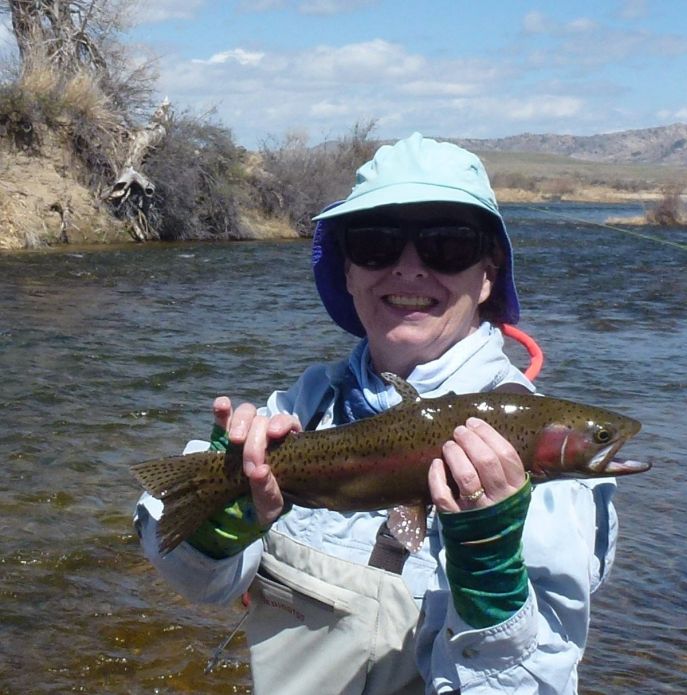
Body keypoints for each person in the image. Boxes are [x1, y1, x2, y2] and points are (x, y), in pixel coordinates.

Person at [135, 132, 618, 694]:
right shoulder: (301, 410)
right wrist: (212, 526)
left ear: (488, 273)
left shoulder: (543, 456)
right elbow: (203, 583)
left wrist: (491, 583)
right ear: (346, 270)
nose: (408, 269)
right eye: (375, 242)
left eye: (447, 244)